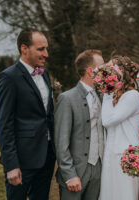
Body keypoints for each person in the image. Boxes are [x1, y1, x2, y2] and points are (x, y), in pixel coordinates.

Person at [0, 29, 56, 200]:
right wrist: (11, 165)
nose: (46, 54)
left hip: (47, 157)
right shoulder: (8, 78)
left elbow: (47, 116)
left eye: (46, 48)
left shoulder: (44, 75)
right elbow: (4, 124)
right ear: (24, 48)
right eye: (41, 49)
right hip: (22, 161)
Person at [54, 49, 104, 200]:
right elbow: (61, 142)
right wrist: (69, 175)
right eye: (102, 67)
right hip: (76, 172)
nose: (106, 71)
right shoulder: (67, 99)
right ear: (90, 71)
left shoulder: (103, 97)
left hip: (99, 169)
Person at [99, 56, 139, 200]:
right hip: (112, 152)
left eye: (110, 69)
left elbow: (107, 120)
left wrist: (106, 91)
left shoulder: (132, 96)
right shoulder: (116, 95)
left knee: (124, 195)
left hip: (127, 155)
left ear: (121, 73)